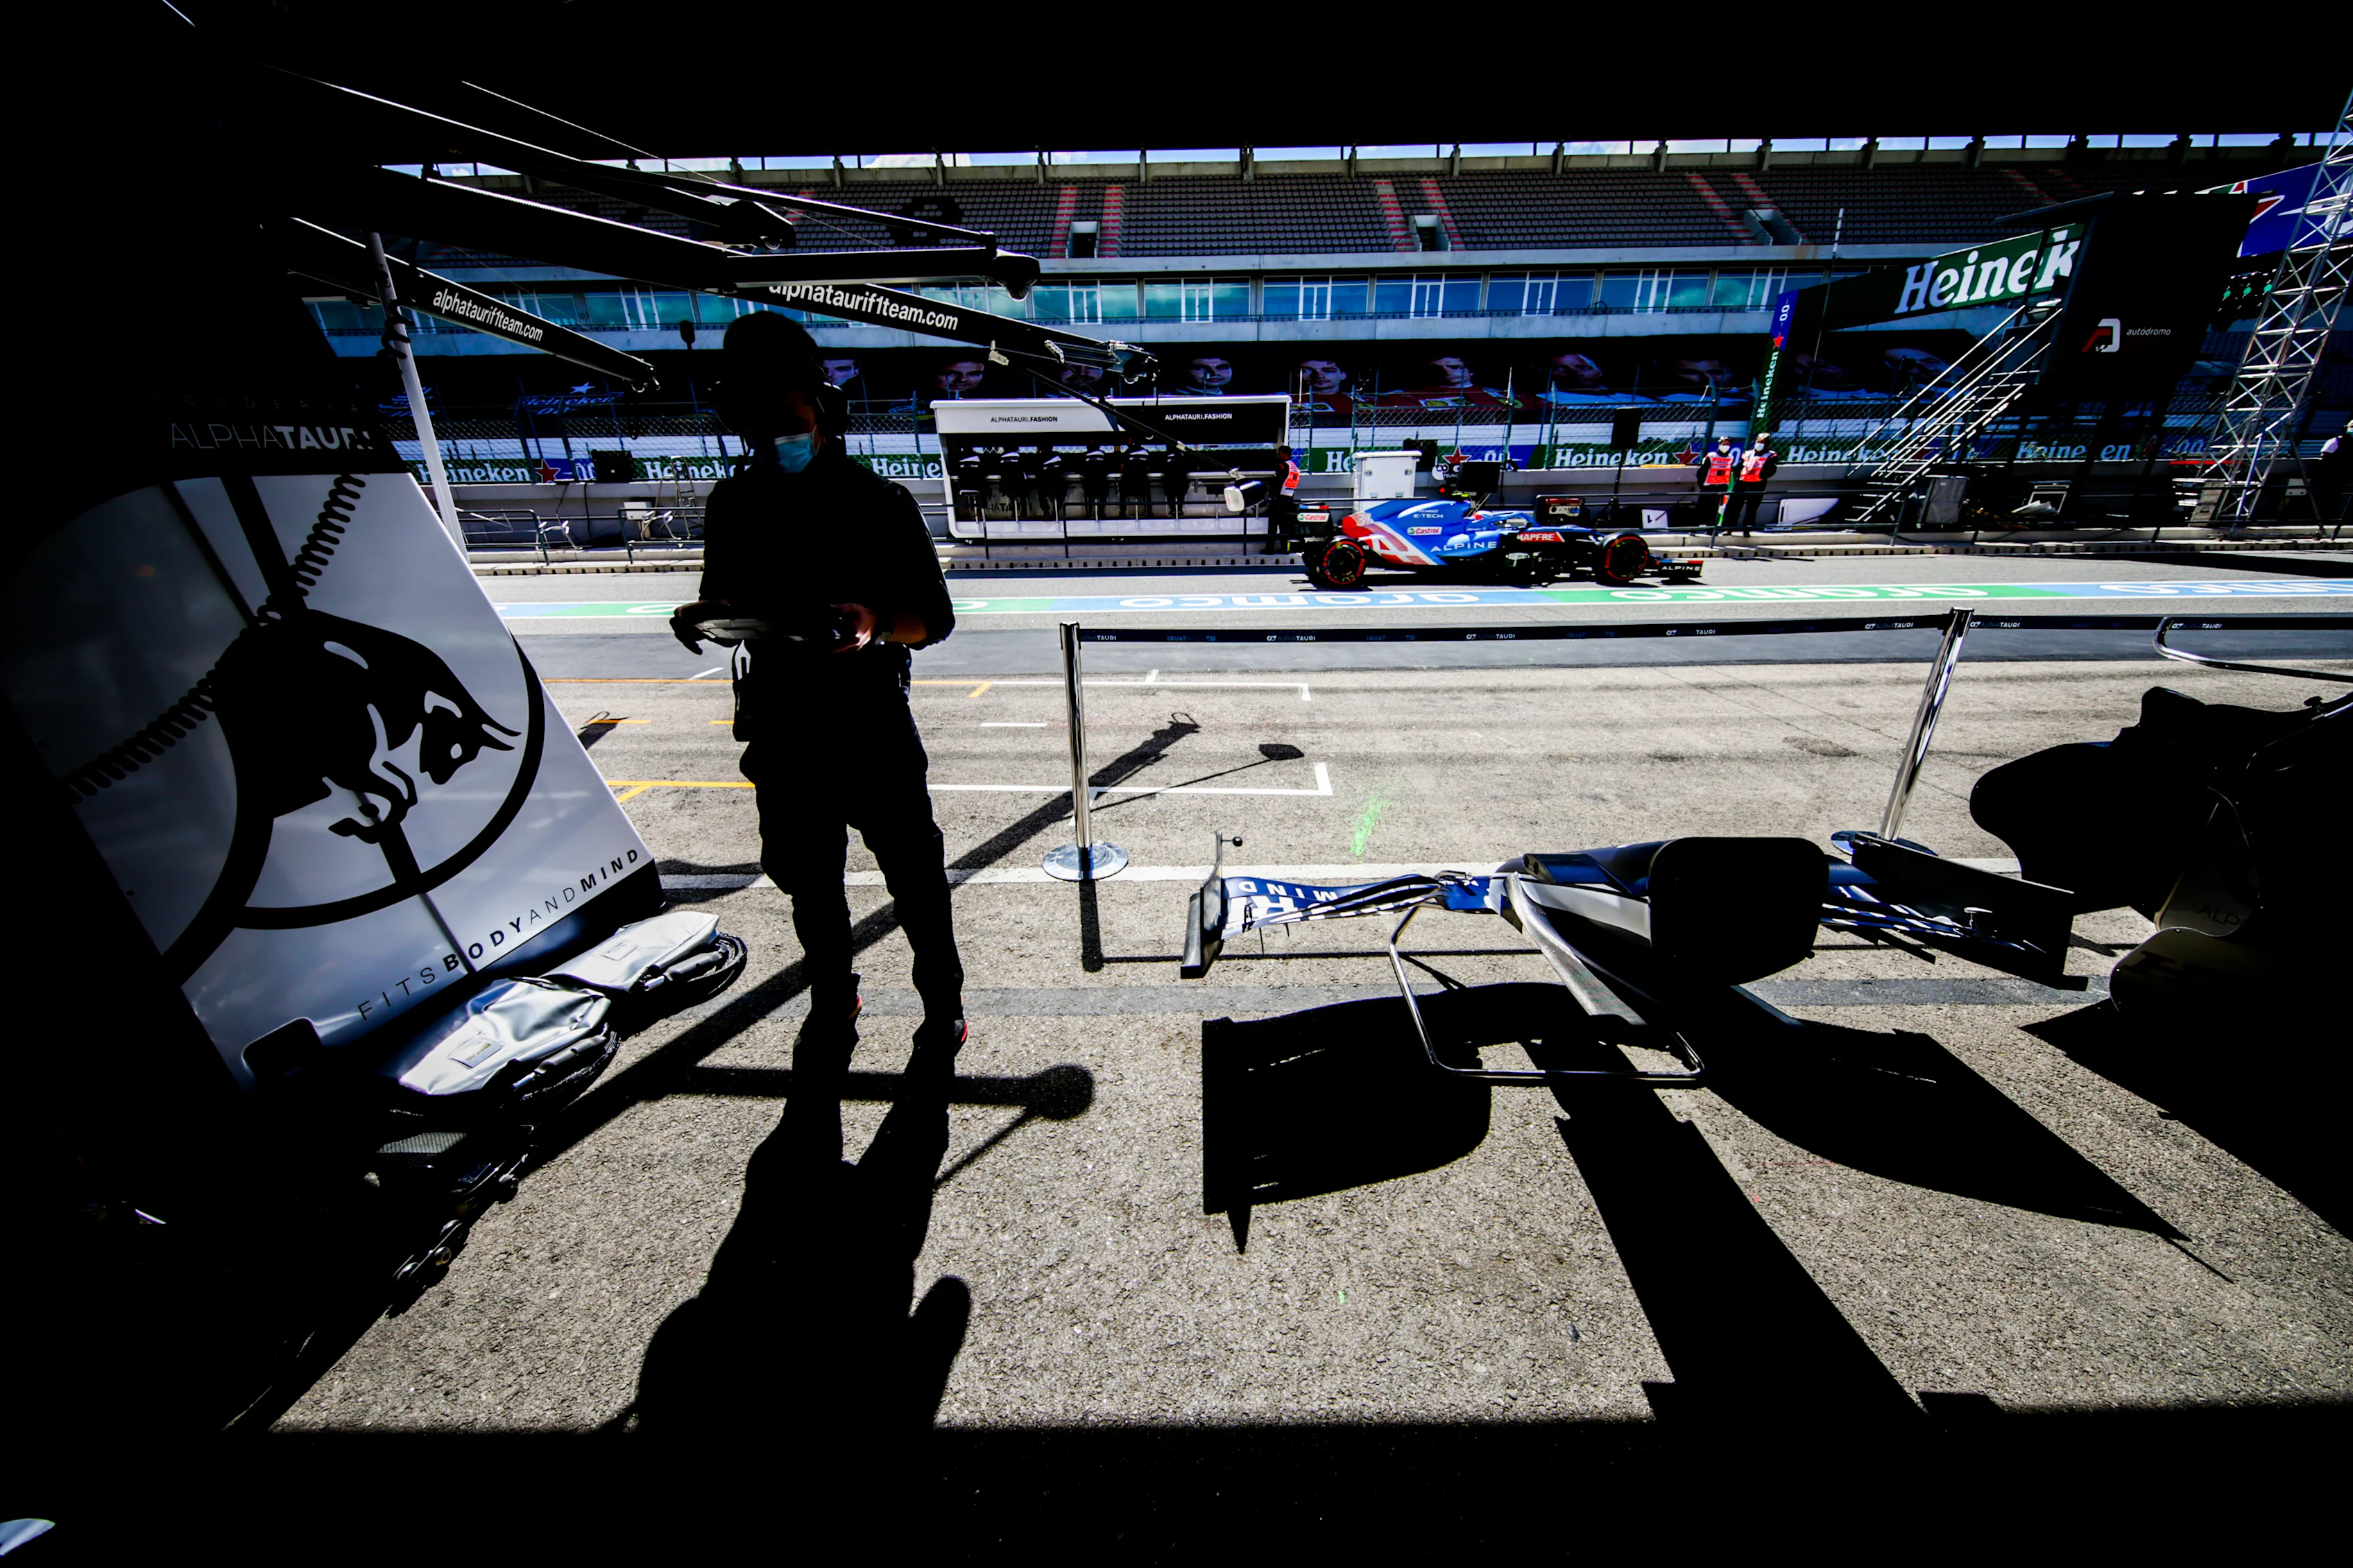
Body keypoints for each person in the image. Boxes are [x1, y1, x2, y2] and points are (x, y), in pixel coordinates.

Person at [669, 312, 965, 1056]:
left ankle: (942, 1000)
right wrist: (708, 616)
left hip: (868, 719)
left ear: (819, 406)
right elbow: (726, 595)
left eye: (788, 416)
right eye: (759, 421)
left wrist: (871, 619)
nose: (777, 434)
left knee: (916, 880)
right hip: (781, 724)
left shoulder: (880, 502)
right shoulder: (732, 504)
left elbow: (933, 618)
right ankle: (833, 994)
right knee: (809, 883)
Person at [1727, 433, 1779, 533]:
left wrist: (1761, 477)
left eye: (1762, 443)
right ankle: (1729, 528)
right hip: (1742, 483)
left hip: (1757, 484)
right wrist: (1739, 477)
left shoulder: (1771, 456)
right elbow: (1738, 468)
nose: (1759, 444)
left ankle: (1747, 529)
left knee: (1752, 508)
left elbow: (1772, 470)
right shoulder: (1747, 454)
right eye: (1758, 442)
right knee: (1734, 506)